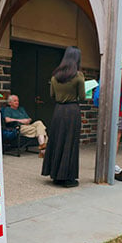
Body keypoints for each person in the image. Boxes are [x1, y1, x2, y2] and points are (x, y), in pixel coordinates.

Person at [41, 46, 86, 188]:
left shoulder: (55, 76)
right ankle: (67, 178)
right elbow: (83, 97)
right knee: (70, 143)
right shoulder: (78, 76)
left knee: (57, 141)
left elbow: (52, 95)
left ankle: (55, 175)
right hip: (72, 111)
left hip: (58, 111)